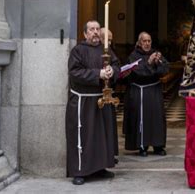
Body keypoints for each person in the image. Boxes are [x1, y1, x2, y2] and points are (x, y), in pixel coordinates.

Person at [66, 20, 119, 185]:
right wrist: (98, 74)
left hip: (101, 99)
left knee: (101, 137)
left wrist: (112, 71)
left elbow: (117, 65)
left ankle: (100, 168)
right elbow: (75, 72)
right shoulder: (78, 51)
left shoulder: (106, 49)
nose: (96, 32)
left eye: (97, 29)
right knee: (84, 137)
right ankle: (79, 171)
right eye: (92, 29)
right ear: (85, 33)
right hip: (83, 101)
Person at [123, 32, 169, 156]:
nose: (147, 43)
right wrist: (149, 62)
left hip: (154, 91)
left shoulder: (156, 54)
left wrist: (157, 62)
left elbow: (165, 70)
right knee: (142, 119)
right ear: (139, 42)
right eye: (144, 41)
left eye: (149, 41)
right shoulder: (133, 56)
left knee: (157, 119)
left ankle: (158, 146)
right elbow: (138, 73)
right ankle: (142, 146)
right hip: (140, 92)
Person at [100, 28, 119, 164]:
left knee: (109, 126)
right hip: (96, 95)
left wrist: (113, 70)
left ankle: (110, 153)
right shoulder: (92, 51)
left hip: (108, 94)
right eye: (107, 39)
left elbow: (117, 65)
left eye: (111, 39)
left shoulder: (110, 51)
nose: (110, 43)